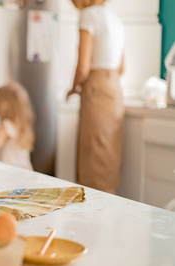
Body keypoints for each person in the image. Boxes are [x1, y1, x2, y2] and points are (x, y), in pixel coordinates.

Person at [67, 0, 125, 194]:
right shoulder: (116, 19)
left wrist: (73, 87)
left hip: (97, 89)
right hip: (115, 90)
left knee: (93, 161)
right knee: (108, 161)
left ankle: (94, 221)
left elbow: (83, 68)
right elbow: (122, 68)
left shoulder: (89, 16)